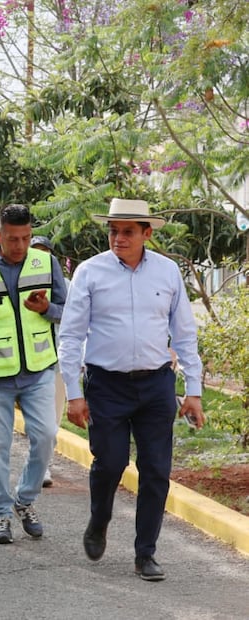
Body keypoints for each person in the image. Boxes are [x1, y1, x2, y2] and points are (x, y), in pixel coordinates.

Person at [58, 198, 204, 582]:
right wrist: (73, 392)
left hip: (156, 384)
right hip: (107, 385)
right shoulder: (90, 273)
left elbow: (185, 333)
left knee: (156, 470)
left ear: (146, 233)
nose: (118, 238)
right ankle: (99, 519)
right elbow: (71, 336)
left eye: (127, 231)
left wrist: (194, 390)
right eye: (113, 230)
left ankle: (145, 554)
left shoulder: (168, 272)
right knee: (109, 463)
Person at [0, 204, 66, 544]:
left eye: (26, 238)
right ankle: (0, 514)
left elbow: (71, 311)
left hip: (39, 370)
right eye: (13, 239)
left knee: (46, 437)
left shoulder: (45, 263)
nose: (20, 246)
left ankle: (25, 499)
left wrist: (47, 309)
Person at [30, 235, 67, 488]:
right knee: (39, 421)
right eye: (36, 253)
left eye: (45, 253)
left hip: (59, 363)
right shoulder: (20, 285)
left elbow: (72, 320)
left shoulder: (68, 286)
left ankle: (44, 464)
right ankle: (39, 465)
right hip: (30, 364)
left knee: (52, 423)